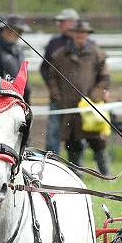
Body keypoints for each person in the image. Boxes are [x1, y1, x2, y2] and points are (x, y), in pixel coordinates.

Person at [47, 19, 111, 175]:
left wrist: (95, 97)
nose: (80, 35)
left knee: (98, 142)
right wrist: (57, 97)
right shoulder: (60, 54)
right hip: (68, 107)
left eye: (83, 33)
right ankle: (76, 174)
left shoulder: (97, 53)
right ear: (72, 34)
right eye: (77, 32)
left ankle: (106, 174)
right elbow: (52, 77)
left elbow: (105, 78)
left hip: (90, 107)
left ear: (87, 34)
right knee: (72, 142)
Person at [41, 8, 80, 153]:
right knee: (53, 134)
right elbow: (45, 68)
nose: (59, 24)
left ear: (73, 22)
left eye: (63, 22)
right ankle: (51, 163)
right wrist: (54, 89)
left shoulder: (82, 41)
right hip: (57, 98)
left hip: (78, 99)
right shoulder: (54, 42)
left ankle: (75, 167)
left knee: (76, 135)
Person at [0, 14, 31, 102]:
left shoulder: (17, 48)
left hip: (18, 98)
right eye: (18, 31)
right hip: (1, 100)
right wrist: (5, 87)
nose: (20, 35)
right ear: (8, 30)